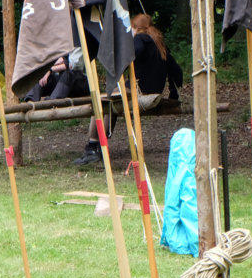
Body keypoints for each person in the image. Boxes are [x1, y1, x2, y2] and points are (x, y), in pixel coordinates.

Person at [73, 14, 182, 165]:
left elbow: (133, 52)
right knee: (112, 101)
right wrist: (173, 93)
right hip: (154, 90)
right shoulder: (159, 44)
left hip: (139, 90)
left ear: (136, 28)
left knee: (102, 103)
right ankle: (99, 145)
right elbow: (177, 71)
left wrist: (118, 68)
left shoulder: (140, 39)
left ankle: (93, 146)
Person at [23, 47, 88, 102]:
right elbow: (60, 59)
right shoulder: (65, 43)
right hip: (63, 83)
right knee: (40, 72)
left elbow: (72, 65)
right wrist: (46, 71)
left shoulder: (80, 42)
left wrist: (50, 69)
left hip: (81, 82)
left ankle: (52, 103)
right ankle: (30, 101)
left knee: (70, 73)